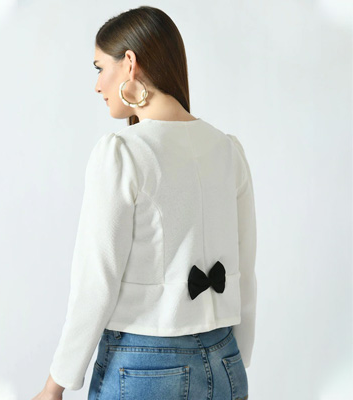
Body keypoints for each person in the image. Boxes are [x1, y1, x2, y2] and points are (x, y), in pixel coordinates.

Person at [32, 6, 256, 400]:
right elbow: (245, 267)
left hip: (145, 367)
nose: (97, 85)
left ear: (130, 63)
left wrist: (56, 385)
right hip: (225, 361)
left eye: (100, 68)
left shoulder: (122, 153)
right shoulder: (227, 149)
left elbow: (96, 281)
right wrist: (239, 354)